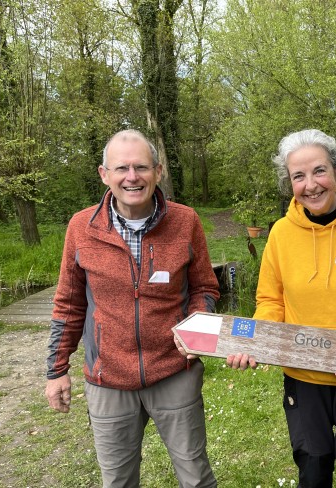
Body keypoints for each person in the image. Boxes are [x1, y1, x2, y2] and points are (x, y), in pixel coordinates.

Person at [227, 129, 336, 487]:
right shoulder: (280, 234)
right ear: (289, 181)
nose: (311, 184)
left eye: (319, 171)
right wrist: (255, 342)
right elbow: (270, 300)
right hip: (303, 376)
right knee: (313, 470)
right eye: (299, 176)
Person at [45, 129, 220, 488]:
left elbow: (204, 287)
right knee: (118, 481)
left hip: (175, 373)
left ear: (158, 171)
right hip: (108, 380)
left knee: (196, 475)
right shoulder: (82, 227)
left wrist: (195, 332)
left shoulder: (186, 221)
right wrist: (56, 370)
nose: (132, 177)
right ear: (104, 174)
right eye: (121, 168)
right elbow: (68, 303)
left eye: (141, 167)